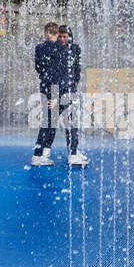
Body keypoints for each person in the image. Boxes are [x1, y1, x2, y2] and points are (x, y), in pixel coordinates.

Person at [31, 21, 63, 165]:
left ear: (46, 33)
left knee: (48, 118)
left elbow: (38, 67)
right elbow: (58, 71)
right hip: (54, 86)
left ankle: (43, 152)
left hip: (44, 84)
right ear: (56, 34)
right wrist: (56, 95)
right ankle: (38, 155)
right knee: (50, 120)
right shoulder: (60, 48)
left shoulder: (39, 47)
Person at [56, 24, 88, 166]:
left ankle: (73, 151)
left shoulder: (75, 49)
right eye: (60, 36)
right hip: (58, 89)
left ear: (69, 36)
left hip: (70, 89)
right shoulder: (55, 50)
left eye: (65, 36)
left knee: (72, 120)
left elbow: (77, 67)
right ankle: (71, 153)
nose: (62, 39)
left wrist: (76, 80)